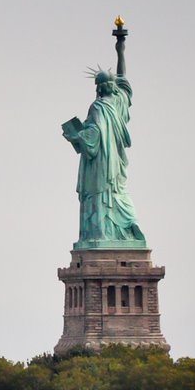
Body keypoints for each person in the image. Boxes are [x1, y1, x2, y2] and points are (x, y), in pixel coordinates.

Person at [62, 20, 146, 248]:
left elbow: (93, 137)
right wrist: (120, 47)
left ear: (98, 88)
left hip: (101, 165)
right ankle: (122, 229)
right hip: (114, 164)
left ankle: (101, 232)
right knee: (116, 192)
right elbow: (123, 78)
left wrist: (75, 136)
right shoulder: (118, 102)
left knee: (102, 195)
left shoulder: (98, 108)